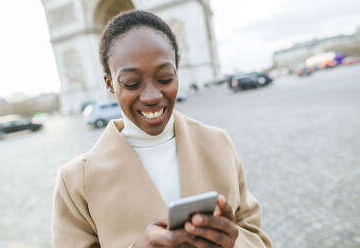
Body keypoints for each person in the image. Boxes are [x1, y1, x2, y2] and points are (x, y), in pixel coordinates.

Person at [52, 10, 272, 248]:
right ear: (110, 84)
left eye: (165, 78)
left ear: (178, 72)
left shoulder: (219, 144)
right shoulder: (74, 183)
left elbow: (256, 237)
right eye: (132, 83)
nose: (151, 96)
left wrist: (233, 242)